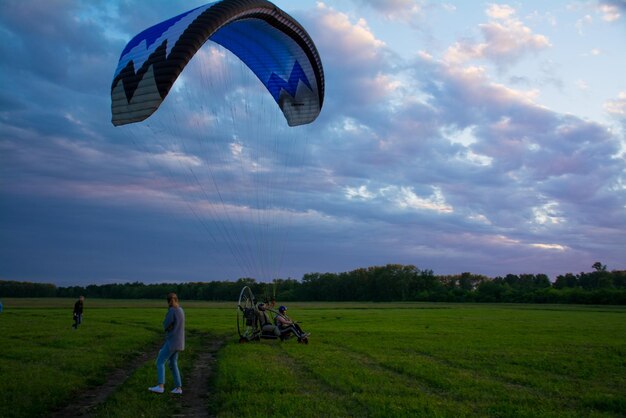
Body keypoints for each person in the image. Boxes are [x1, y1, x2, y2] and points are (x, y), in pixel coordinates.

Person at [149, 293, 185, 395]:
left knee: (160, 361)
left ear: (168, 301)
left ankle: (160, 386)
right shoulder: (181, 310)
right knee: (173, 363)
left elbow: (165, 325)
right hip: (179, 342)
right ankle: (178, 388)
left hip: (172, 342)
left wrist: (168, 326)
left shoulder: (172, 310)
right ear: (177, 300)